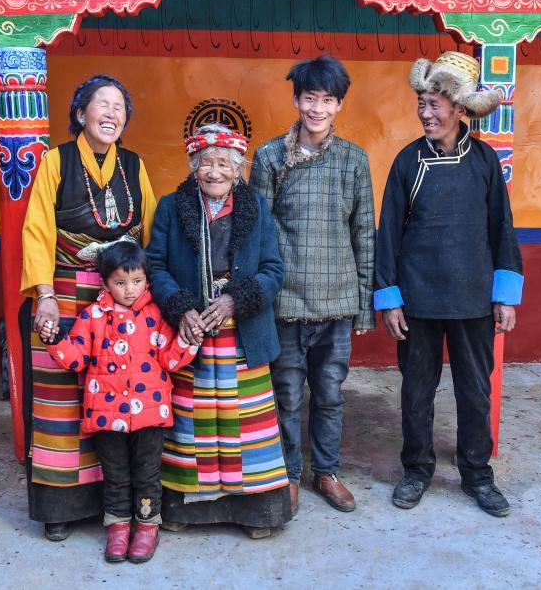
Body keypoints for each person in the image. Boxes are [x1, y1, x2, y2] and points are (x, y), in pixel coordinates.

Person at [374, 51, 524, 518]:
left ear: (459, 109)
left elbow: (502, 228)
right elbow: (388, 233)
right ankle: (416, 470)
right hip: (418, 301)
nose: (425, 113)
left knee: (475, 392)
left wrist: (505, 296)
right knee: (416, 392)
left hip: (473, 300)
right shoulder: (408, 161)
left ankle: (477, 474)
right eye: (421, 103)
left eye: (434, 104)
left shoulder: (484, 160)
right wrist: (390, 299)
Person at [20, 74, 157, 541]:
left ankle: (118, 505)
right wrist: (45, 297)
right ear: (81, 114)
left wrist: (149, 298)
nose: (112, 113)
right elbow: (38, 229)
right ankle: (61, 503)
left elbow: (149, 231)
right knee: (62, 396)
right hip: (64, 292)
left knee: (120, 394)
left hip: (122, 297)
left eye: (120, 107)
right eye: (102, 104)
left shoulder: (133, 165)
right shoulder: (56, 161)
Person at [145, 123, 291, 539]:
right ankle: (186, 510)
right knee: (192, 423)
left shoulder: (255, 206)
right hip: (191, 334)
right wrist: (182, 307)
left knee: (244, 423)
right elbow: (155, 265)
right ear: (193, 167)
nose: (214, 172)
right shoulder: (171, 206)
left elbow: (273, 270)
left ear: (238, 169)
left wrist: (233, 301)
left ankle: (256, 512)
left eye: (224, 164)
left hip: (242, 333)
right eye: (206, 163)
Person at [250, 55, 375, 515]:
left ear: (339, 105)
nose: (317, 108)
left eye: (327, 100)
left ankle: (327, 471)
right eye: (309, 98)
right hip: (284, 301)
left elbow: (364, 233)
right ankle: (288, 474)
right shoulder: (269, 157)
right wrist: (259, 300)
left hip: (337, 301)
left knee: (330, 395)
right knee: (285, 395)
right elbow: (257, 233)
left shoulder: (353, 159)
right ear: (296, 100)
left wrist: (364, 305)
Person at [39, 240, 199, 563]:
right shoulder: (93, 316)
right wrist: (54, 339)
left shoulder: (157, 315)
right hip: (105, 416)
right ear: (105, 283)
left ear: (146, 279)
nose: (130, 290)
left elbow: (170, 359)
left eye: (137, 280)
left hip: (150, 414)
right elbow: (76, 359)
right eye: (121, 282)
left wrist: (187, 340)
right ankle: (118, 527)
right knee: (115, 475)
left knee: (147, 474)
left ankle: (147, 526)